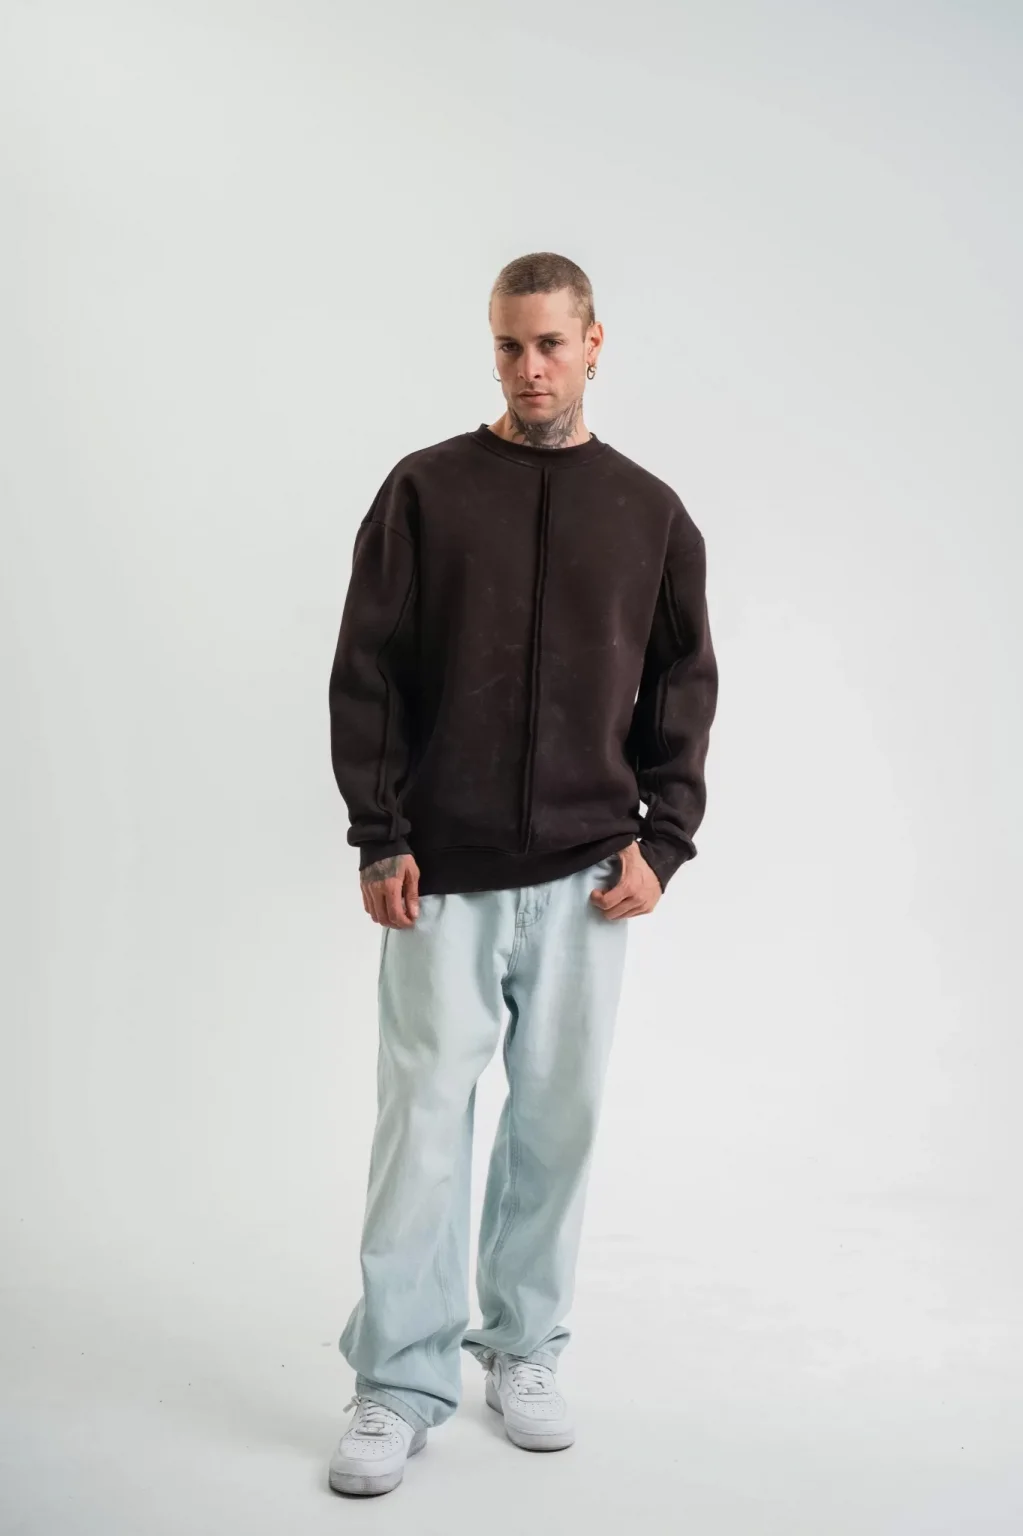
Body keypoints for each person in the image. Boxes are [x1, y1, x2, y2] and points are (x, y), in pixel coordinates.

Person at [325, 251, 718, 1497]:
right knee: (423, 1131)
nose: (529, 368)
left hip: (588, 878)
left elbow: (683, 685)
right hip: (438, 875)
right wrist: (380, 833)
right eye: (508, 345)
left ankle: (524, 1347)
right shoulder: (426, 490)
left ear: (594, 342)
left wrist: (664, 838)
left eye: (550, 344)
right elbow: (368, 667)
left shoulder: (649, 511)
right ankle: (397, 1382)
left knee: (556, 1127)